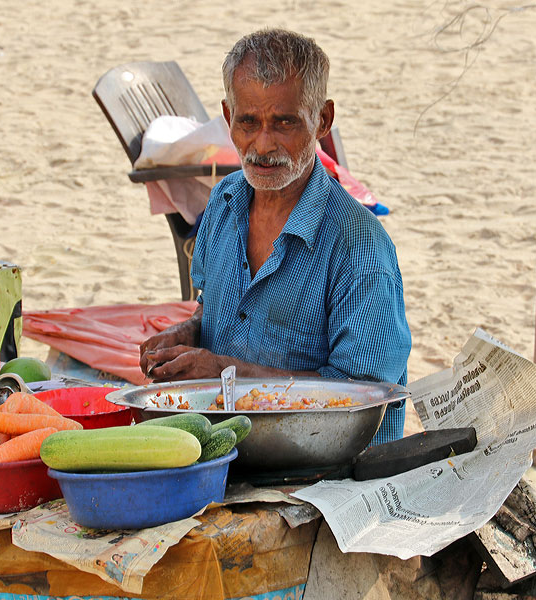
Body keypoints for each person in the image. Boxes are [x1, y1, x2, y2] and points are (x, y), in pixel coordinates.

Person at [139, 29, 411, 444]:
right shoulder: (225, 201)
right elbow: (213, 307)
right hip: (232, 449)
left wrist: (226, 376)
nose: (263, 145)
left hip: (328, 474)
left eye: (284, 123)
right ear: (228, 118)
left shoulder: (360, 249)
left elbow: (363, 399)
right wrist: (189, 333)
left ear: (322, 120)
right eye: (248, 122)